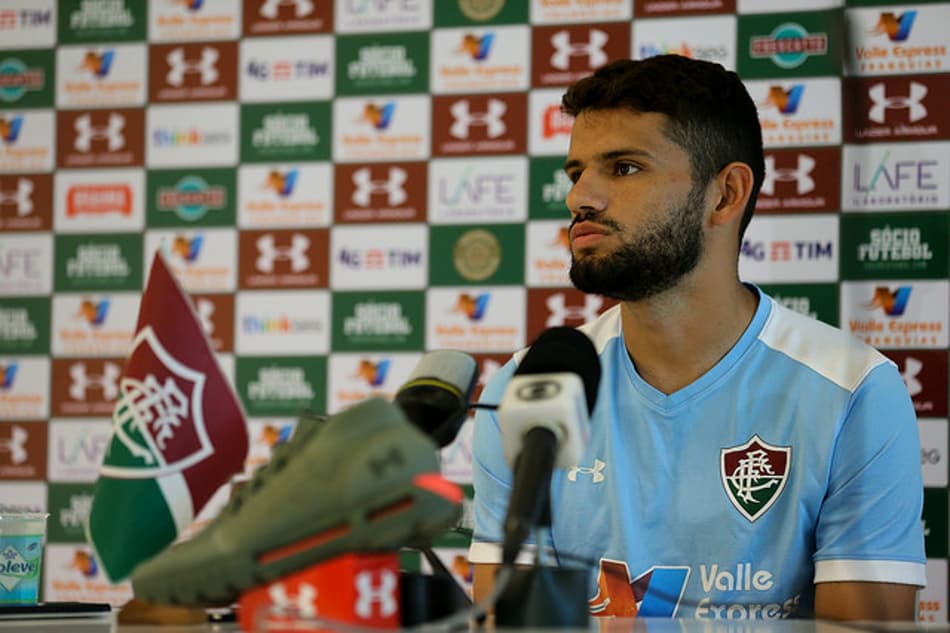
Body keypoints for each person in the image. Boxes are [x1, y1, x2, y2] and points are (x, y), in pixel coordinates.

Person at [467, 55, 925, 621]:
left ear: (726, 195)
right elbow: (505, 619)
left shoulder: (853, 391)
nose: (580, 197)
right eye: (576, 172)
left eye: (624, 168)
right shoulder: (530, 385)